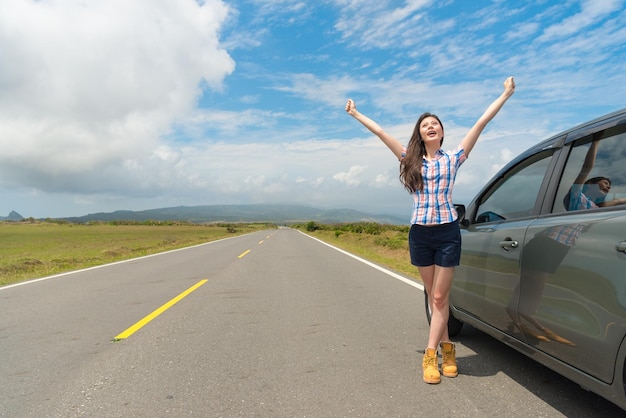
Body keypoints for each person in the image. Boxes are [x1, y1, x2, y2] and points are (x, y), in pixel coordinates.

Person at [345, 76, 516, 384]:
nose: (431, 126)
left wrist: (505, 94)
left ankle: (430, 356)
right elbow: (382, 132)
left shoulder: (454, 158)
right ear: (420, 134)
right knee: (436, 298)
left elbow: (481, 122)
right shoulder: (410, 160)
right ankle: (448, 349)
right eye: (425, 125)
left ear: (442, 131)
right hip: (420, 234)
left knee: (439, 297)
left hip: (448, 232)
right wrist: (356, 114)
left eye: (435, 123)